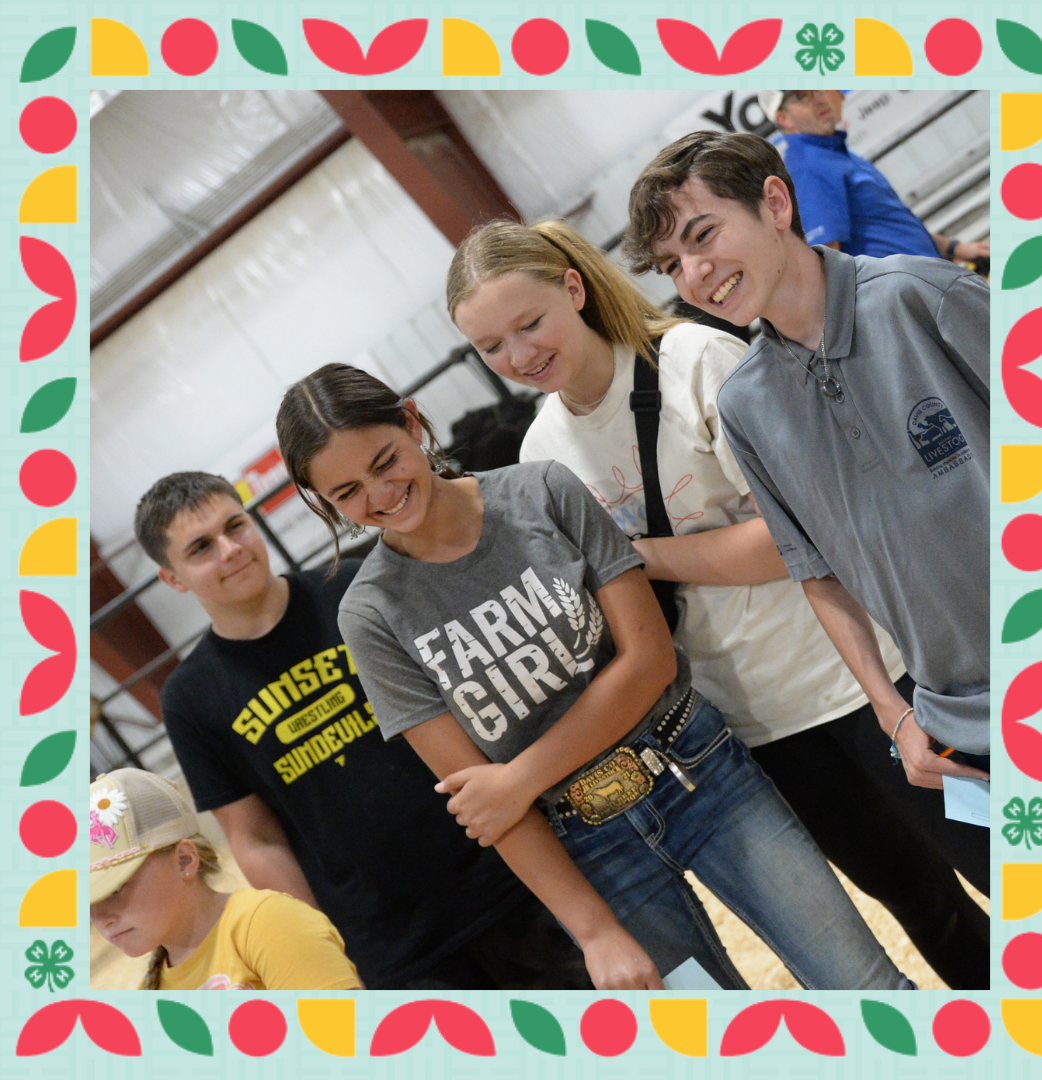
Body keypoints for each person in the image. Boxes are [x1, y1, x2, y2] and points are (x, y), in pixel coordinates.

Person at [446, 217, 989, 986]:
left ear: (573, 289)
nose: (519, 355)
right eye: (491, 347)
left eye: (529, 324)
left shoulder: (699, 362)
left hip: (873, 684)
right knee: (918, 903)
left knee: (1001, 857)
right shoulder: (540, 454)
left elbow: (790, 542)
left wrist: (632, 558)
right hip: (760, 731)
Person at [275, 363, 917, 991]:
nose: (379, 496)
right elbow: (484, 804)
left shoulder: (542, 492)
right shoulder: (367, 615)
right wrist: (592, 932)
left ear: (412, 423)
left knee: (864, 986)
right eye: (347, 493)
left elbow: (649, 661)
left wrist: (519, 777)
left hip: (702, 775)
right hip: (588, 848)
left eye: (385, 461)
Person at [624, 131, 990, 885]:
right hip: (964, 726)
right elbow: (817, 575)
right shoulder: (747, 405)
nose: (695, 274)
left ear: (777, 203)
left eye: (703, 235)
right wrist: (896, 717)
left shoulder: (925, 295)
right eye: (671, 266)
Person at [138, 472, 593, 990]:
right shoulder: (189, 697)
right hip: (387, 944)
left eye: (235, 526)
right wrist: (315, 945)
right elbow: (256, 839)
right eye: (201, 547)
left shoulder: (353, 588)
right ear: (172, 578)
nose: (230, 550)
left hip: (502, 876)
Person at [89, 768, 362, 990]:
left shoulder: (268, 923)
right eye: (89, 902)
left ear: (185, 859)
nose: (102, 918)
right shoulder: (151, 992)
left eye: (116, 889)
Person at [758, 90, 990, 265]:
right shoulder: (810, 168)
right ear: (785, 119)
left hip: (930, 288)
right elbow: (828, 264)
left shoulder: (832, 153)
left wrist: (954, 248)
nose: (819, 98)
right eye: (802, 96)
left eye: (817, 89)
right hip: (914, 304)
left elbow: (887, 224)